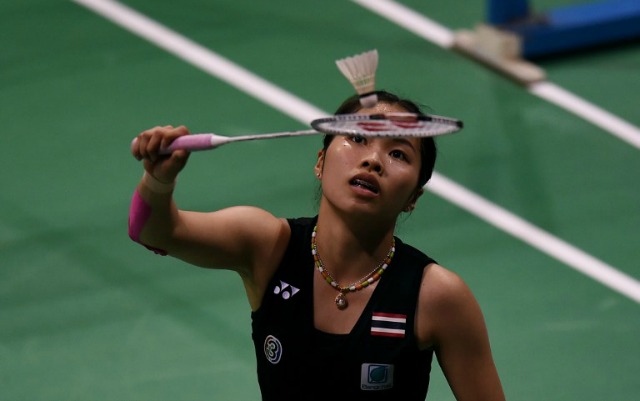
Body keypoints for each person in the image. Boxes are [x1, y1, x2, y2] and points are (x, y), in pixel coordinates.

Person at [129, 90, 506, 401]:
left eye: (398, 154)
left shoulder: (436, 296)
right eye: (358, 138)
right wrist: (158, 179)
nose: (373, 160)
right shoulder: (267, 246)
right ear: (321, 161)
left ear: (413, 198)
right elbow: (155, 231)